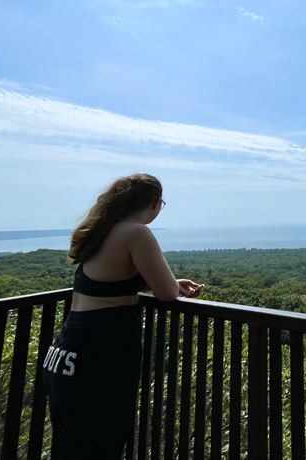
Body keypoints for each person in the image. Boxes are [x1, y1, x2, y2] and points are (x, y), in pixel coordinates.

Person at [42, 173, 203, 460]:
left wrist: (166, 282)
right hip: (99, 356)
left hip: (65, 356)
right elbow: (166, 294)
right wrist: (169, 285)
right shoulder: (136, 232)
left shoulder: (102, 231)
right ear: (155, 204)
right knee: (100, 447)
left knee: (71, 448)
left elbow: (111, 279)